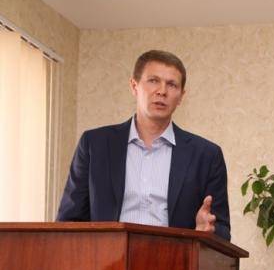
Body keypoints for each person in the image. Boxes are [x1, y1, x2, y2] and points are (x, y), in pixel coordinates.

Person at [56, 50, 230, 240]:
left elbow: (222, 231)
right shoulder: (95, 144)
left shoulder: (207, 155)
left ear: (181, 96)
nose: (162, 91)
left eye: (172, 84)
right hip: (107, 256)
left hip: (175, 256)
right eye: (153, 80)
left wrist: (205, 231)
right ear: (134, 86)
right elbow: (69, 222)